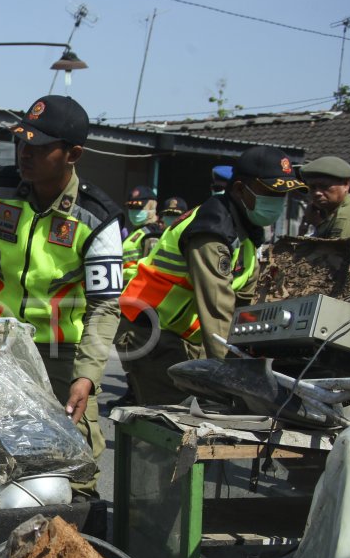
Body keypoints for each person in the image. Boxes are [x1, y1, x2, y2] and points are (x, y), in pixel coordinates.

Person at [0, 96, 122, 492]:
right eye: (21, 143)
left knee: (76, 463)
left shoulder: (99, 219)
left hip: (62, 358)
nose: (24, 154)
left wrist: (86, 378)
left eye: (38, 146)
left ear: (73, 154)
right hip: (1, 349)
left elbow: (105, 307)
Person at [116, 146, 308, 405]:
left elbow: (243, 308)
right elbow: (217, 312)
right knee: (170, 422)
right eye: (271, 193)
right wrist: (236, 380)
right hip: (152, 333)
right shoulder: (211, 231)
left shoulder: (247, 236)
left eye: (283, 194)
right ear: (240, 189)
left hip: (186, 336)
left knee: (198, 417)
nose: (279, 201)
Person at [300, 156, 350, 239]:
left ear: (346, 184)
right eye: (312, 187)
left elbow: (328, 251)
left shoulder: (344, 219)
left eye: (324, 186)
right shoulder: (336, 213)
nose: (317, 193)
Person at [122, 185, 163, 284]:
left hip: (137, 290)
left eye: (138, 207)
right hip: (127, 288)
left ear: (152, 207)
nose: (133, 211)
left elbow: (150, 271)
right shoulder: (136, 232)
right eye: (131, 207)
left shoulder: (152, 235)